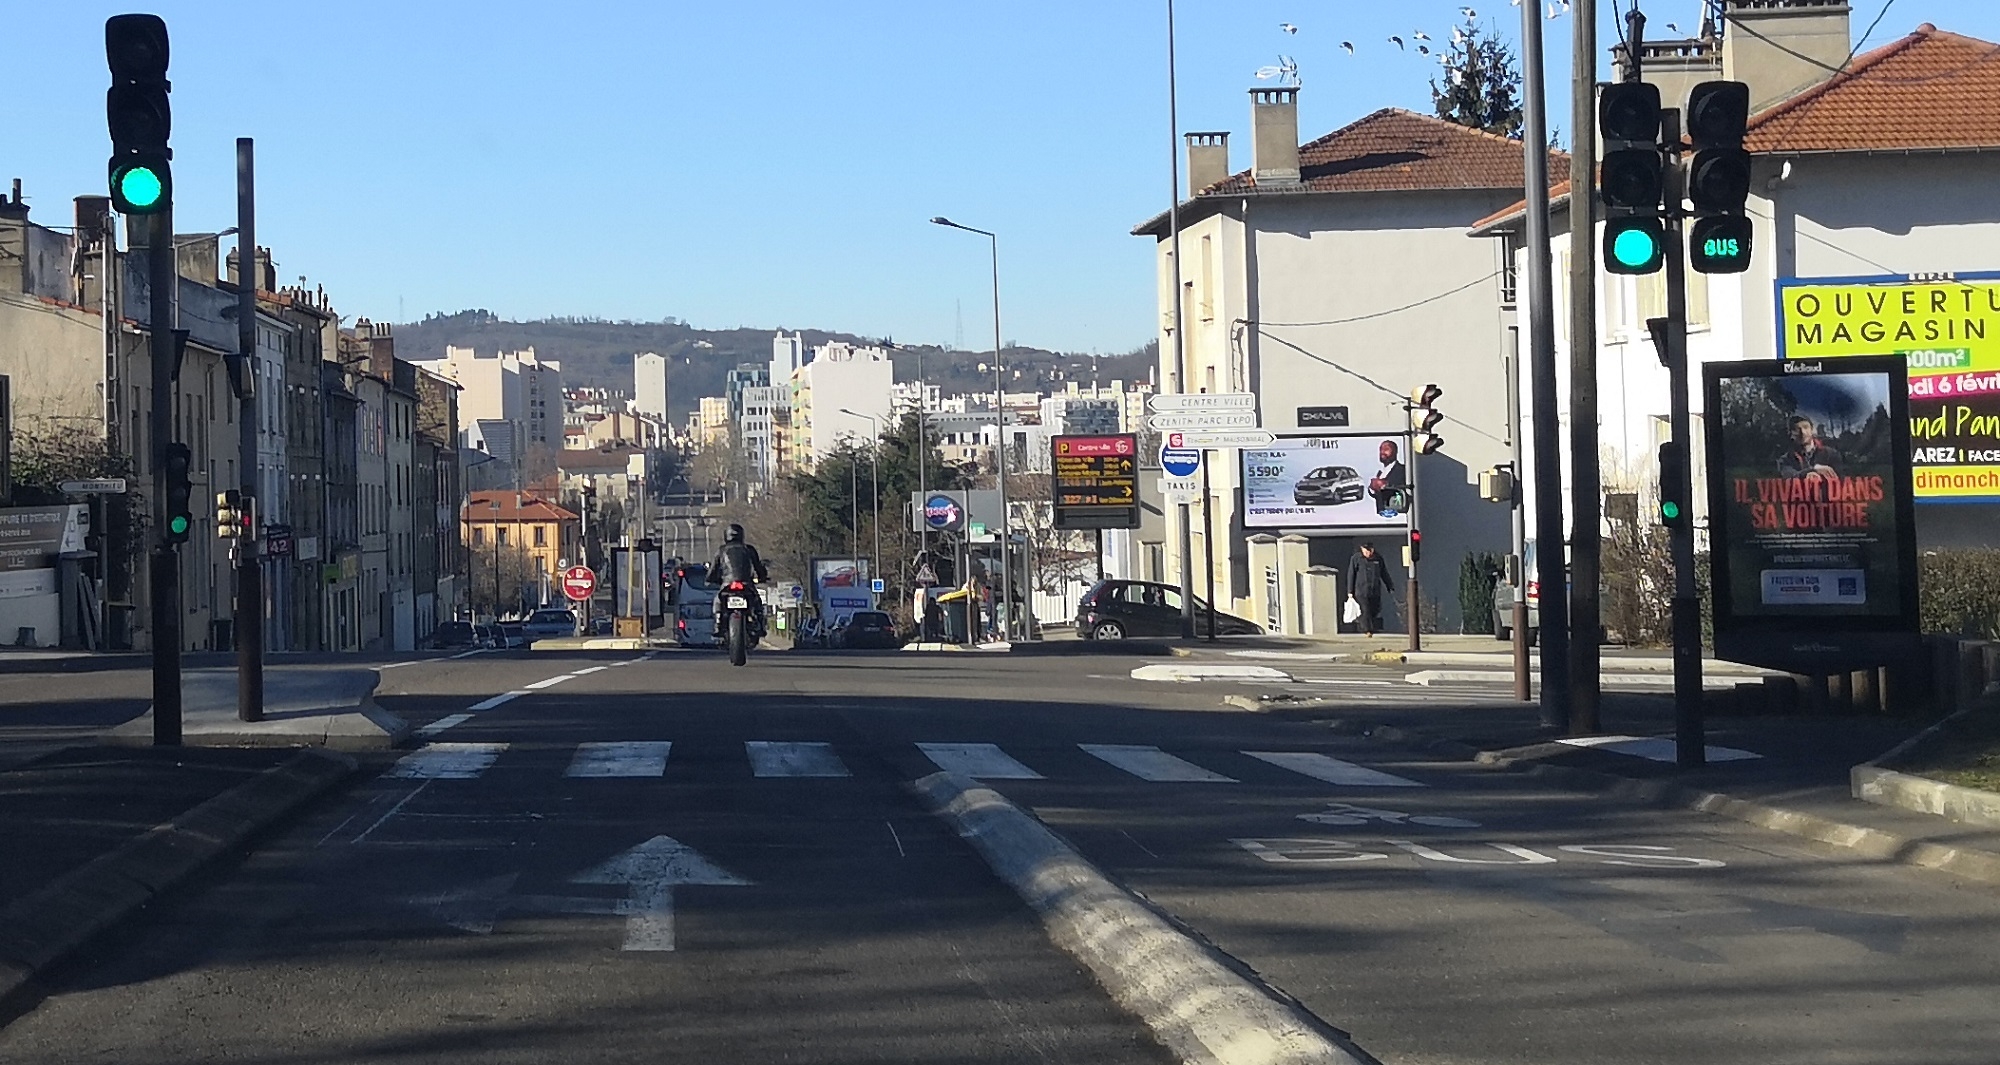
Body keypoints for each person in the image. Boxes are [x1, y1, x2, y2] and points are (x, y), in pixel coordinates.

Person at [707, 523, 771, 638]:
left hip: (727, 583)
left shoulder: (722, 550)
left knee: (718, 601)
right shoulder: (749, 549)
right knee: (757, 602)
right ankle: (760, 625)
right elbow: (758, 566)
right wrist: (762, 577)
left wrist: (710, 579)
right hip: (746, 583)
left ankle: (718, 623)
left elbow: (713, 569)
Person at [1345, 541, 1395, 638]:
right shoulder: (1356, 558)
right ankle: (1367, 630)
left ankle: (1368, 625)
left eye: (1369, 550)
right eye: (1366, 550)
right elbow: (1351, 574)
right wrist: (1350, 591)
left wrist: (1390, 586)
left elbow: (1384, 573)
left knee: (1374, 609)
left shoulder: (1378, 559)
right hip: (1361, 590)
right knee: (1365, 610)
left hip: (1374, 590)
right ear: (1362, 549)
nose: (1368, 552)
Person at [1779, 416, 1843, 481]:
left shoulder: (1831, 454)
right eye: (1796, 429)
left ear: (1812, 429)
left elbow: (1841, 478)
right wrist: (1813, 470)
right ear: (1791, 433)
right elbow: (1789, 476)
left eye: (1805, 427)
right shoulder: (1785, 459)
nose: (1803, 432)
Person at [1368, 440, 1409, 517]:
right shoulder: (1381, 473)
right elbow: (1378, 495)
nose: (1382, 452)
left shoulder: (1403, 470)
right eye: (1381, 449)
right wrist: (1372, 488)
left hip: (1398, 517)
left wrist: (1385, 485)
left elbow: (1406, 490)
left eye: (1386, 449)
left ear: (1395, 452)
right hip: (1381, 519)